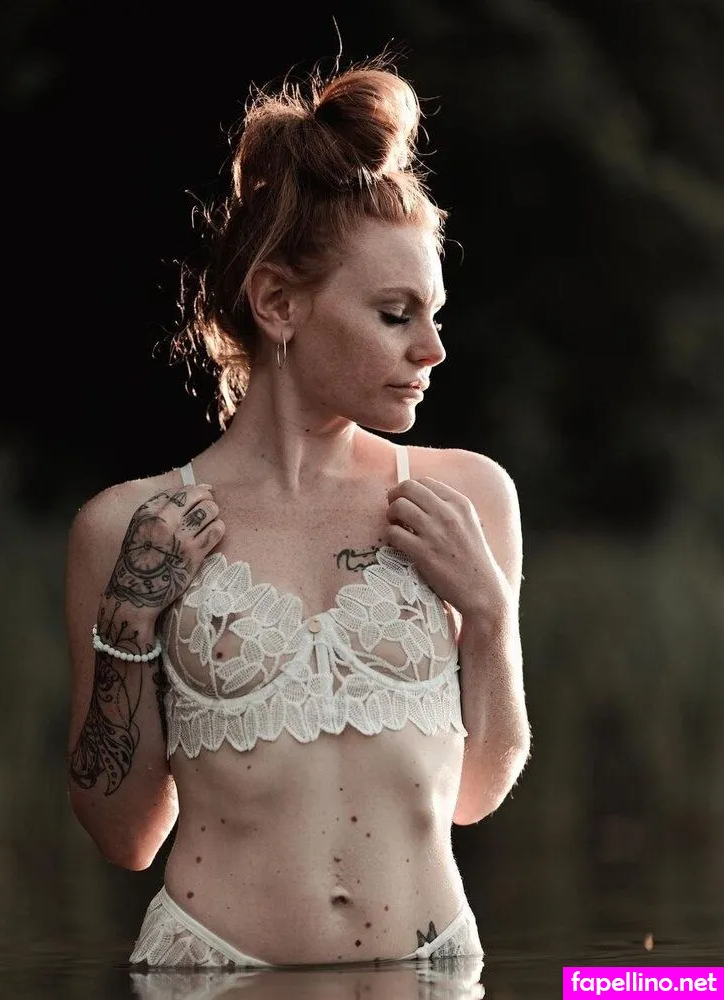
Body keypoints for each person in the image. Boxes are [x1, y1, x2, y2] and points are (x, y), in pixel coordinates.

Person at [65, 52, 531, 971]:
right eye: (395, 314)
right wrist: (127, 621)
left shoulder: (467, 496)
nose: (432, 350)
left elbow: (475, 793)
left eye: (435, 314)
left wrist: (487, 614)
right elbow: (123, 837)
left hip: (430, 971)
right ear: (278, 302)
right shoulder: (128, 527)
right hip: (211, 975)